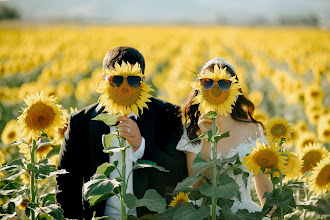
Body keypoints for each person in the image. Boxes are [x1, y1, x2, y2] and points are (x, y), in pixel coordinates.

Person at [56, 46, 188, 219]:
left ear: (143, 80)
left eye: (133, 80)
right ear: (103, 79)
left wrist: (141, 147)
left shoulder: (167, 115)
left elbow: (179, 175)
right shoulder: (81, 123)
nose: (124, 87)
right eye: (116, 80)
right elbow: (66, 185)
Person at [176, 57, 273, 215]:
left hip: (243, 214)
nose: (216, 88)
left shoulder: (253, 130)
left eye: (224, 83)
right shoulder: (192, 131)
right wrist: (207, 139)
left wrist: (274, 216)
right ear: (199, 89)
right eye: (207, 82)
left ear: (235, 91)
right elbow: (198, 186)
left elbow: (262, 183)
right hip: (205, 214)